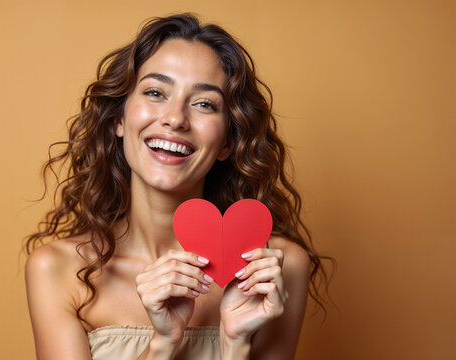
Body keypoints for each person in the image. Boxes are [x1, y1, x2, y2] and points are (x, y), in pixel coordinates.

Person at [24, 13, 330, 360]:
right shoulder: (57, 269)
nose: (175, 118)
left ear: (228, 141)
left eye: (204, 104)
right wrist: (163, 344)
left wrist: (234, 343)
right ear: (119, 120)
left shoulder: (276, 267)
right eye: (156, 92)